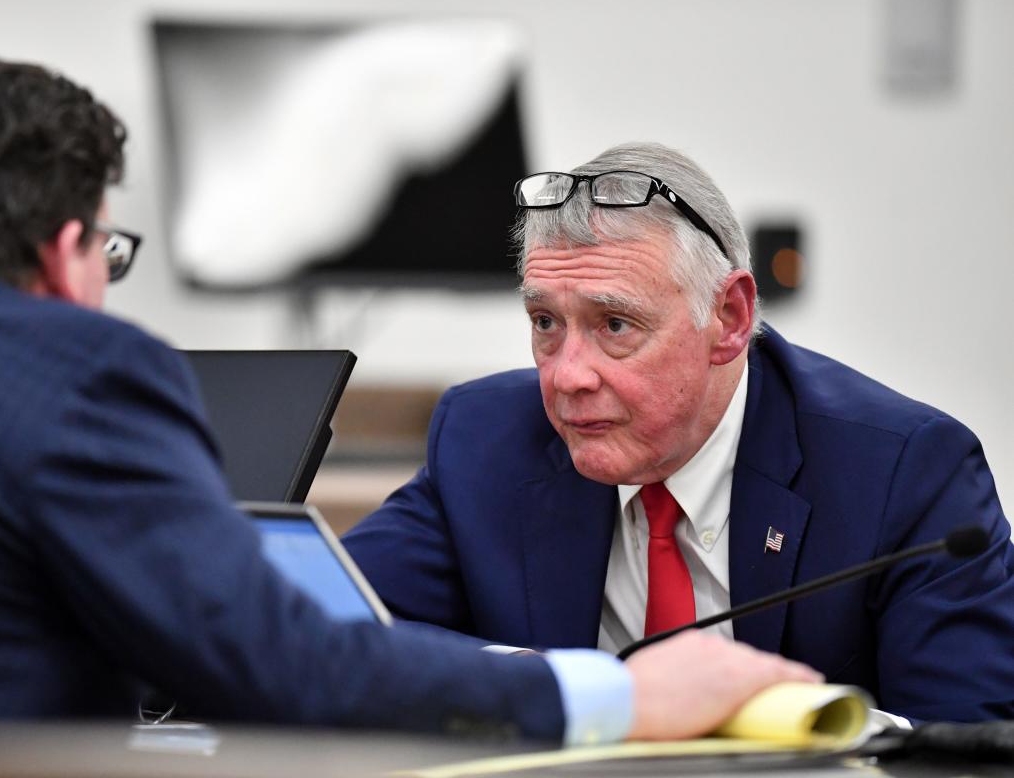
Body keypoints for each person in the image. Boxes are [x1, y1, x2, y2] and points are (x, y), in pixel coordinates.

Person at [0, 61, 817, 777]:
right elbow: (288, 660)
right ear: (62, 251)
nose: (568, 369)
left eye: (613, 325)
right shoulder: (72, 367)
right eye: (110, 257)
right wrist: (623, 698)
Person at [343, 142, 1014, 725]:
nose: (567, 376)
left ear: (728, 318)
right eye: (546, 323)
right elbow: (320, 627)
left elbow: (959, 745)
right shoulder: (486, 439)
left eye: (614, 325)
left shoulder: (904, 471)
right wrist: (578, 692)